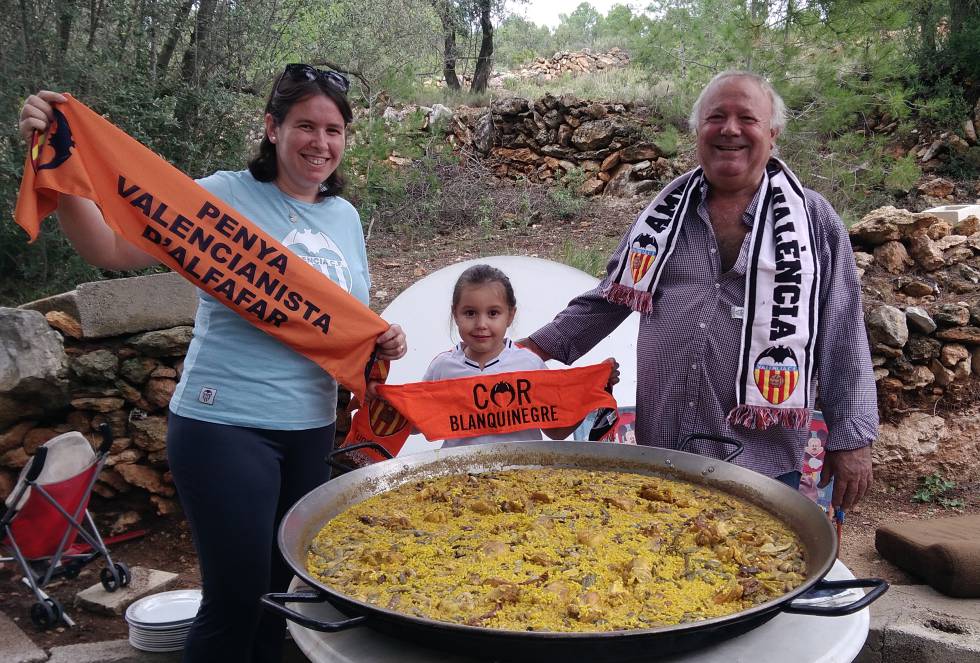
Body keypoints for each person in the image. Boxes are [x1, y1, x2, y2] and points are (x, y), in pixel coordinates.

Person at [18, 65, 407, 663]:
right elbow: (109, 249)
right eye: (305, 125)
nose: (320, 143)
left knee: (284, 599)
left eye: (333, 130)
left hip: (309, 430)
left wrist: (383, 338)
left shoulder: (345, 217)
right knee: (235, 602)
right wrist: (61, 165)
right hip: (226, 425)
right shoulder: (222, 197)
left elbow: (343, 316)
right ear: (272, 127)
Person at [521, 71, 877, 511]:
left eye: (747, 117)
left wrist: (853, 437)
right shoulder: (664, 216)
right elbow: (610, 297)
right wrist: (532, 349)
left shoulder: (813, 220)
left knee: (757, 572)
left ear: (772, 132)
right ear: (698, 131)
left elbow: (842, 331)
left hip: (761, 457)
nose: (730, 129)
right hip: (664, 446)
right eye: (716, 117)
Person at [421, 264, 582, 446]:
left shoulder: (529, 365)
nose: (481, 324)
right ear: (455, 314)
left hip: (524, 472)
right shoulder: (443, 367)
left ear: (510, 315)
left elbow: (556, 431)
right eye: (470, 313)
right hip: (460, 473)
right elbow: (415, 424)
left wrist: (594, 390)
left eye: (493, 313)